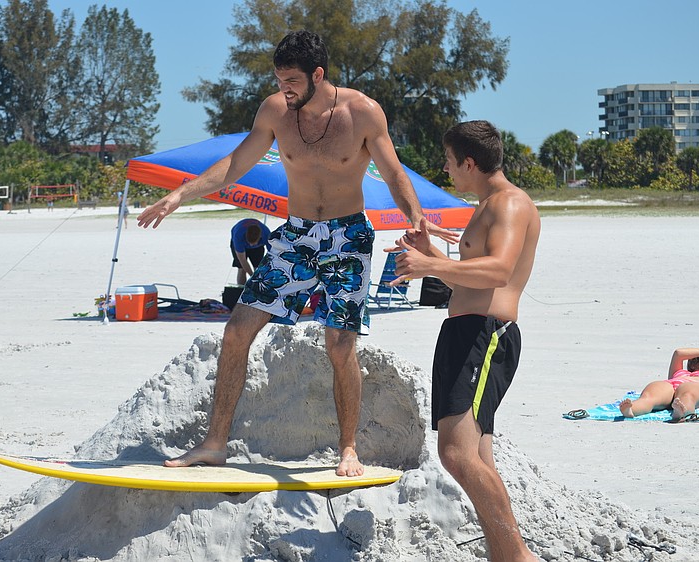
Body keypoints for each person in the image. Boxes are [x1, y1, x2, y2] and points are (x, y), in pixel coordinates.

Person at [138, 29, 456, 477]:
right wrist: (179, 196)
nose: (283, 89)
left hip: (348, 238)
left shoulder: (362, 112)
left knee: (339, 344)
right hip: (296, 237)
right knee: (236, 331)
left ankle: (348, 449)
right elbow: (234, 163)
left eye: (291, 80)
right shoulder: (275, 111)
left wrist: (416, 217)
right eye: (279, 79)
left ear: (317, 75)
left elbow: (394, 172)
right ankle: (214, 443)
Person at [389, 120, 540, 561]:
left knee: (455, 454)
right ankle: (502, 554)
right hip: (468, 332)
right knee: (476, 455)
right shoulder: (487, 204)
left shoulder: (509, 204)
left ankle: (517, 556)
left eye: (450, 161)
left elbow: (498, 273)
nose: (446, 168)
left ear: (469, 162)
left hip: (485, 336)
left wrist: (429, 266)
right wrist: (429, 254)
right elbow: (470, 284)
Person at [619, 347, 699, 420]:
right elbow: (678, 353)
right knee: (650, 396)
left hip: (696, 387)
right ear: (694, 364)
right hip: (670, 385)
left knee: (689, 393)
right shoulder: (679, 372)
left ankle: (681, 411)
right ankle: (632, 410)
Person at [230, 218, 271, 284]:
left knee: (258, 268)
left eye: (253, 243)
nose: (251, 245)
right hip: (241, 243)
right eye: (249, 242)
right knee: (241, 268)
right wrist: (253, 277)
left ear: (260, 237)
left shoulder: (266, 234)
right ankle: (241, 289)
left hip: (258, 247)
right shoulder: (238, 235)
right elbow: (243, 260)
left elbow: (273, 255)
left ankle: (259, 288)